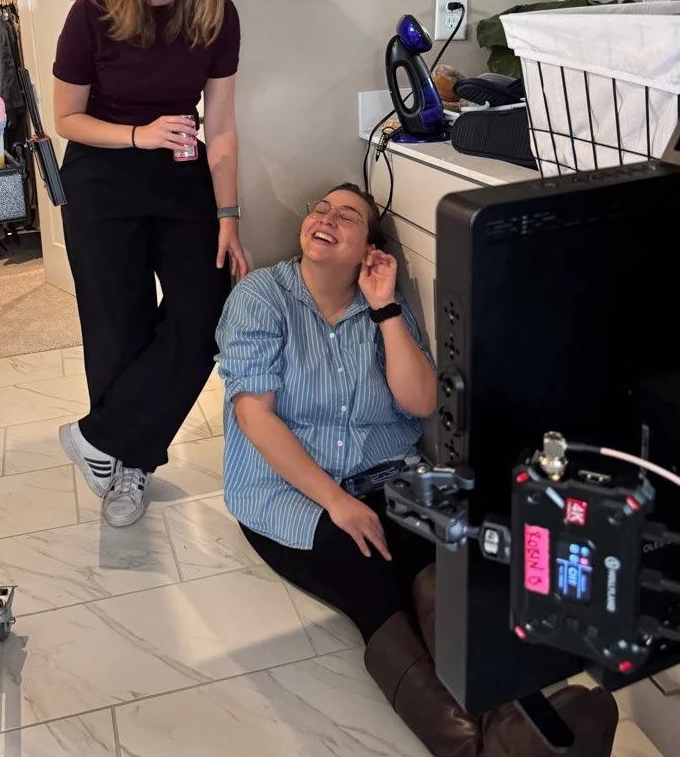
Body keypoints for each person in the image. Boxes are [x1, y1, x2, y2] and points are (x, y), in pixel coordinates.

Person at [215, 183, 619, 757]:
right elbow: (254, 416)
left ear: (370, 249)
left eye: (347, 216)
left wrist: (383, 308)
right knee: (370, 577)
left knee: (435, 563)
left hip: (389, 474)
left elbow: (423, 401)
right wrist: (336, 501)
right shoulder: (262, 295)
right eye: (321, 208)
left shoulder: (383, 304)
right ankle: (487, 746)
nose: (326, 218)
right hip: (287, 490)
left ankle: (514, 723)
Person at [52, 0, 247, 528]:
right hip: (102, 177)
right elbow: (66, 118)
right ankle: (128, 471)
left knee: (205, 310)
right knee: (119, 327)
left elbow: (221, 126)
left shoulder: (217, 14)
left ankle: (98, 438)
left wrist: (228, 215)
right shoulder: (93, 10)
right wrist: (139, 135)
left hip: (181, 174)